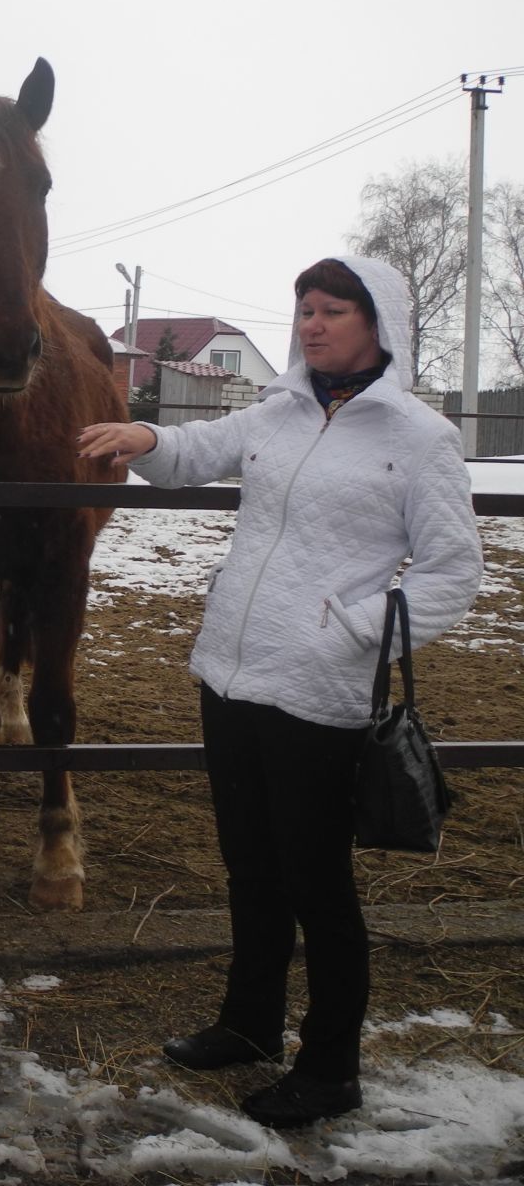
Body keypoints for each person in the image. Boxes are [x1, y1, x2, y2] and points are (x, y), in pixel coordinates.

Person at [77, 255, 481, 1128]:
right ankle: (250, 1023)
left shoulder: (419, 440)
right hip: (230, 672)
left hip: (319, 689)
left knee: (316, 883)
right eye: (303, 309)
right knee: (250, 868)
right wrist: (145, 439)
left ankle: (331, 1066)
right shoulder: (281, 410)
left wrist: (355, 626)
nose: (311, 324)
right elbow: (194, 454)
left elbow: (456, 571)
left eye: (333, 309)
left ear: (380, 323)